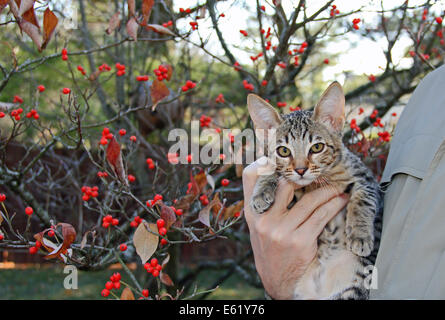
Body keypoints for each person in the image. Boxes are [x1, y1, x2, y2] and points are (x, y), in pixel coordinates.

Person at [242, 65, 445, 299]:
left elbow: (367, 188)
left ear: (334, 123)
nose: (300, 166)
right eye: (284, 151)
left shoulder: (346, 167)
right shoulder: (430, 90)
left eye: (315, 148)